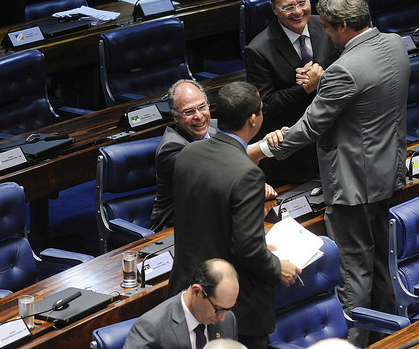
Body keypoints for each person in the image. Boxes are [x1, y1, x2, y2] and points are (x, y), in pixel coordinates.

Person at [249, 0, 410, 347]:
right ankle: (390, 339)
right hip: (391, 172)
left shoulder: (344, 70)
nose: (326, 35)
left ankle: (353, 342)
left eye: (329, 28)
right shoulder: (396, 44)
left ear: (345, 25)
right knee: (385, 265)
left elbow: (310, 126)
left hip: (353, 186)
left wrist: (259, 152)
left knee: (353, 272)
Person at [168, 81, 301, 349]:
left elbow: (203, 221)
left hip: (188, 291)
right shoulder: (247, 173)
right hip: (230, 305)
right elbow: (247, 248)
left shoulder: (188, 154)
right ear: (253, 119)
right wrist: (277, 268)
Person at [243, 0, 339, 186]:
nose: (297, 11)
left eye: (302, 3)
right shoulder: (258, 50)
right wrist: (306, 88)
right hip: (294, 159)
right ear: (274, 8)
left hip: (335, 144)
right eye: (288, 7)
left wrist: (321, 75)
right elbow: (265, 106)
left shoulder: (326, 27)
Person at [150, 79, 277, 232]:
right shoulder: (171, 149)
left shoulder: (216, 127)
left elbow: (234, 153)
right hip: (176, 230)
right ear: (175, 116)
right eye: (189, 111)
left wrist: (267, 141)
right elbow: (215, 175)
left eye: (202, 107)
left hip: (216, 217)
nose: (199, 116)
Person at [123, 258, 239, 349]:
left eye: (228, 309)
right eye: (218, 309)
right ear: (196, 291)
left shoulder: (228, 321)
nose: (223, 317)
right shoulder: (151, 328)